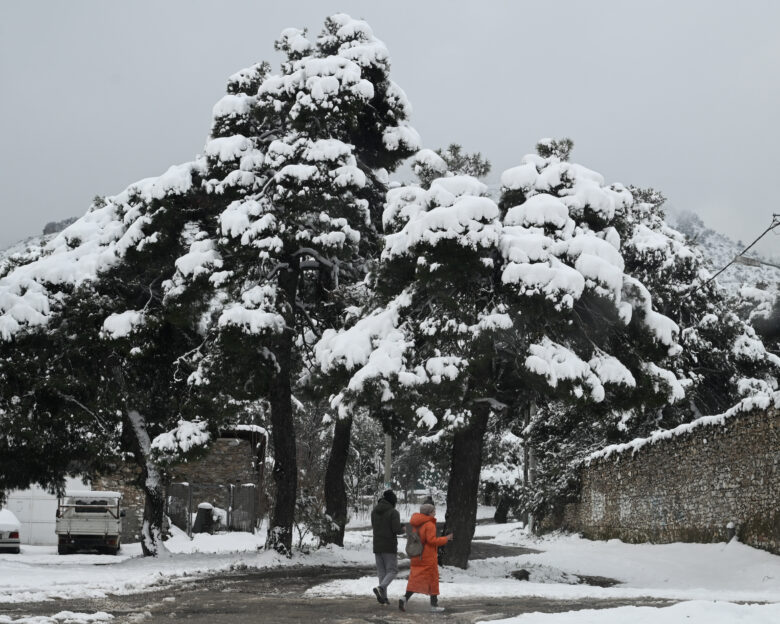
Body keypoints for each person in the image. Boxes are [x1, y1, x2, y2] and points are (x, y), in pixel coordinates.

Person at [399, 502, 453, 613]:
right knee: (433, 580)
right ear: (428, 513)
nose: (435, 513)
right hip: (428, 557)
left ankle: (404, 598)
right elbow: (432, 541)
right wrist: (446, 538)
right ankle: (434, 605)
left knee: (415, 580)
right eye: (433, 511)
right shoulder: (429, 524)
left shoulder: (414, 523)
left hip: (416, 556)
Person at [370, 489, 404, 605]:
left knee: (382, 572)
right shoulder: (393, 512)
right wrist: (402, 528)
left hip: (377, 545)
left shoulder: (374, 511)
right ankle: (381, 588)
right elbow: (396, 529)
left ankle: (384, 598)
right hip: (389, 545)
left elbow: (375, 526)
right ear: (392, 501)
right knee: (393, 570)